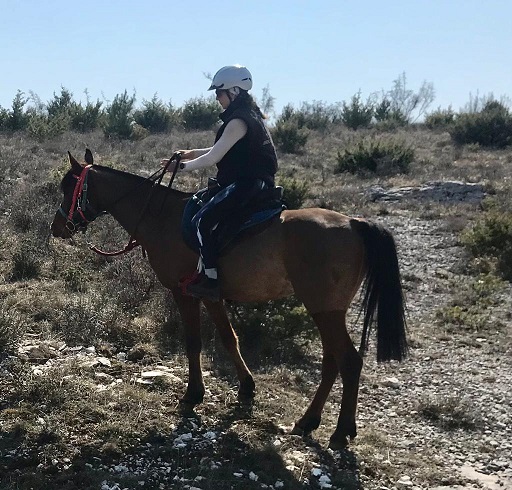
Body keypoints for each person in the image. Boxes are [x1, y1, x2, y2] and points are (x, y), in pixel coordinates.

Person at [162, 65, 278, 302]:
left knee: (202, 221)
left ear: (234, 92)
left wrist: (180, 168)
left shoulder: (238, 121)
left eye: (219, 92)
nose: (216, 97)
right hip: (254, 182)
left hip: (247, 183)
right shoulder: (249, 117)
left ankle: (212, 280)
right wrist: (190, 153)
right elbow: (218, 149)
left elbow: (214, 157)